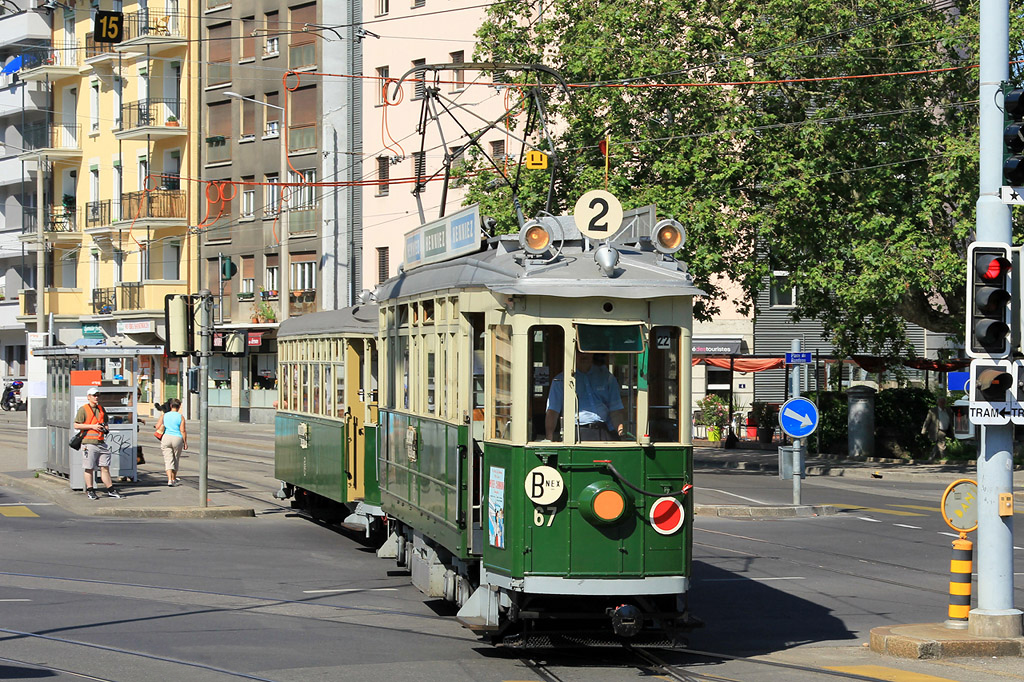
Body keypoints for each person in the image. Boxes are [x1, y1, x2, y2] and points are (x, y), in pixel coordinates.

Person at [545, 351, 626, 441]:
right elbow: (552, 411)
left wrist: (621, 433)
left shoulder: (607, 377)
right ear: (574, 353)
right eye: (579, 352)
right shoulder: (560, 380)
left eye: (586, 351)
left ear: (592, 353)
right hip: (575, 433)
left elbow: (615, 410)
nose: (584, 355)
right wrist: (549, 438)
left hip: (603, 431)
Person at [73, 387, 125, 500]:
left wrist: (105, 429)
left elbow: (105, 423)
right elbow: (76, 425)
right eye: (94, 395)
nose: (96, 397)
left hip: (101, 442)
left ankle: (111, 489)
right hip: (88, 442)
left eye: (97, 395)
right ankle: (90, 490)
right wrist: (92, 426)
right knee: (89, 467)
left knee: (105, 467)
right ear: (88, 397)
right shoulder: (83, 409)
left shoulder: (101, 409)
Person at [156, 398, 187, 486]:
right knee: (175, 459)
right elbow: (183, 431)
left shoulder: (164, 416)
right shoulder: (181, 417)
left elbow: (157, 426)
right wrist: (185, 442)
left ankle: (169, 480)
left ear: (170, 406)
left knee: (168, 460)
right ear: (179, 407)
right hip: (177, 438)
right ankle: (174, 479)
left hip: (166, 437)